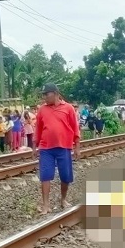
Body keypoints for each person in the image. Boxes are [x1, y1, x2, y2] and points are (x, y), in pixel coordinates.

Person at [34, 83, 81, 215]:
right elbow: (38, 129)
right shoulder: (42, 110)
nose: (44, 97)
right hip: (46, 148)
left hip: (64, 147)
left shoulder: (68, 108)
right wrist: (34, 146)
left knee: (65, 176)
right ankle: (46, 205)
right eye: (43, 94)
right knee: (45, 175)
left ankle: (63, 199)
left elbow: (75, 128)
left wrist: (77, 147)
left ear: (55, 93)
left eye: (46, 94)